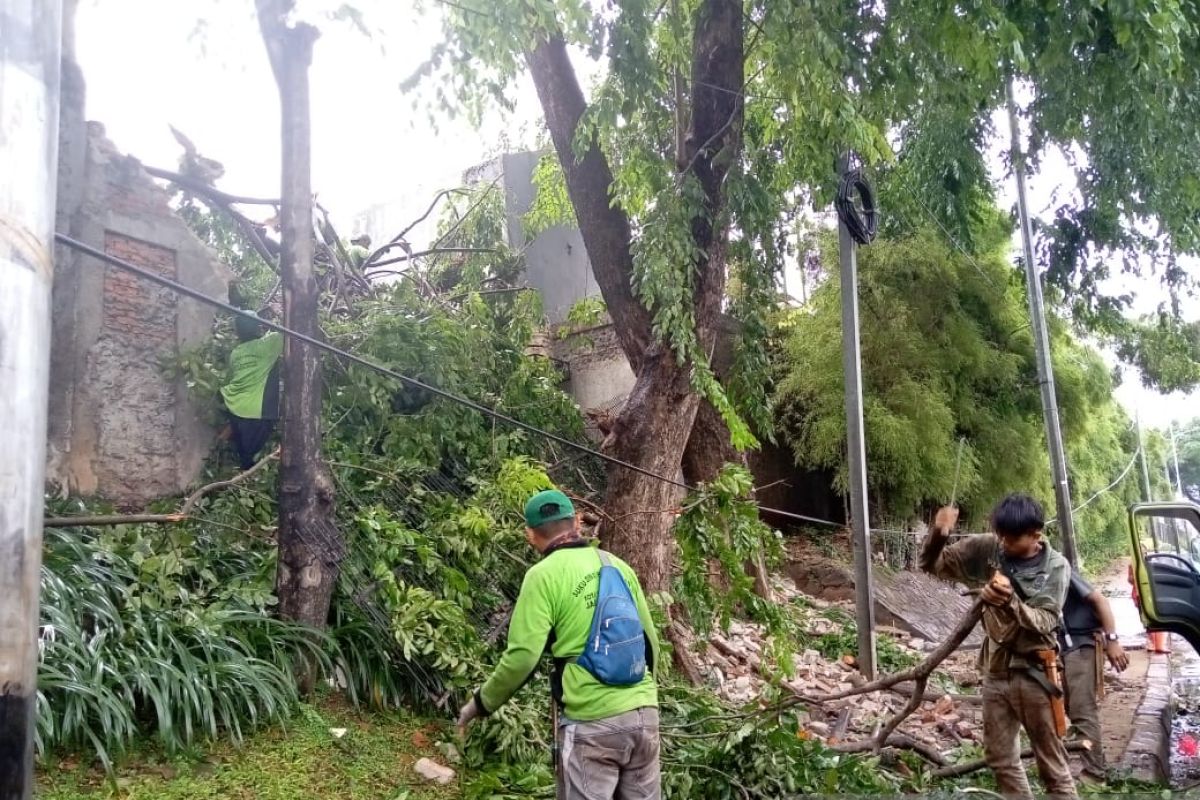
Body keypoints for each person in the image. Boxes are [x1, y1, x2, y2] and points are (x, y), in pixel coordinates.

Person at [457, 489, 662, 799]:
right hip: (645, 714)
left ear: (529, 534)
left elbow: (523, 658)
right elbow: (651, 644)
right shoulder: (618, 566)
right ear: (577, 521)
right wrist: (640, 699)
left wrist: (479, 705)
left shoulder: (542, 576)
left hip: (591, 723)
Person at [920, 494, 1076, 799]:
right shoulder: (987, 547)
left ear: (1036, 535)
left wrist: (1009, 602)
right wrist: (939, 533)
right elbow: (932, 564)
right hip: (996, 672)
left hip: (1036, 673)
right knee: (1000, 758)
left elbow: (1044, 620)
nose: (1004, 543)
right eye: (1000, 534)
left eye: (1013, 538)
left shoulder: (1056, 567)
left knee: (1052, 767)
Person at [1061, 569, 1129, 783]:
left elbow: (1100, 600)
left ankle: (1095, 774)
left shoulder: (1058, 568)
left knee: (1082, 708)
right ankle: (1096, 762)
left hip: (1081, 643)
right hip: (1063, 645)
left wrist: (1113, 641)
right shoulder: (1022, 571)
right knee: (1072, 707)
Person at [220, 312, 283, 469]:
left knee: (244, 458)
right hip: (257, 414)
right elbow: (287, 331)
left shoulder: (236, 353)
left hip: (234, 409)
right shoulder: (268, 344)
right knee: (250, 463)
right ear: (257, 327)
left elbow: (228, 379)